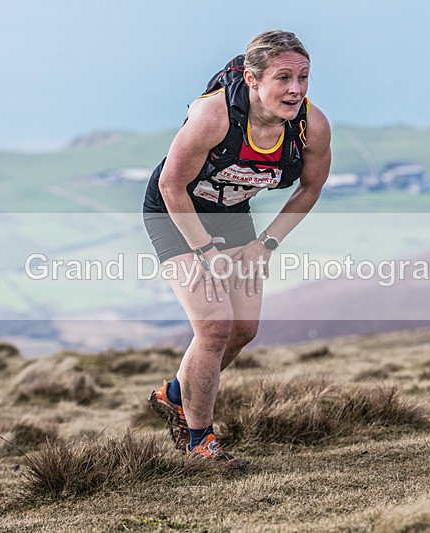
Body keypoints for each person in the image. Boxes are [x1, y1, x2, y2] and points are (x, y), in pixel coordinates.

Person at [142, 30, 331, 467]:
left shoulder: (312, 126)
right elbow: (172, 185)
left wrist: (266, 244)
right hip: (176, 212)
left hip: (232, 214)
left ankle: (173, 395)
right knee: (214, 327)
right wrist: (205, 252)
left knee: (244, 328)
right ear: (251, 79)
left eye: (303, 77)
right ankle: (199, 441)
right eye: (283, 77)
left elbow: (310, 188)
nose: (295, 89)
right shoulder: (214, 117)